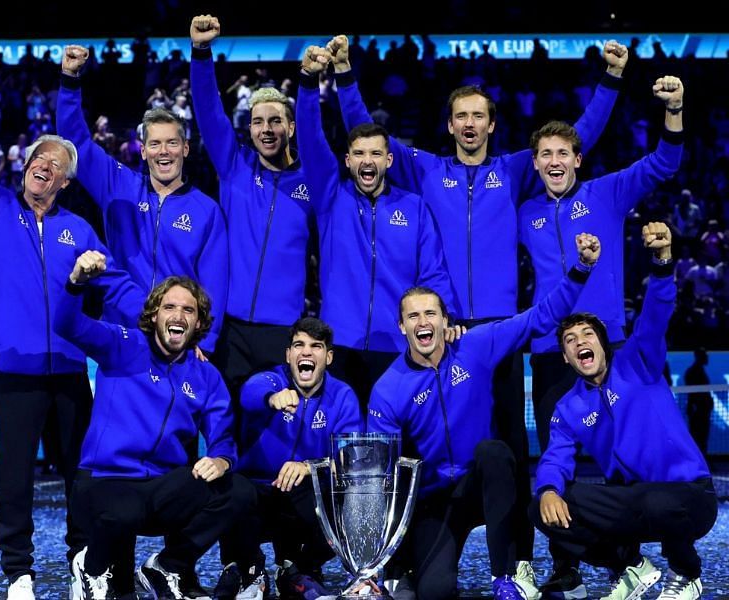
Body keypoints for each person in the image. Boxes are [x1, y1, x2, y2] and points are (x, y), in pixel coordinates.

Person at [328, 36, 628, 595]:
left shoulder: (514, 170)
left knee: (509, 451)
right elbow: (368, 134)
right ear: (449, 125)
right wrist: (345, 74)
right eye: (461, 116)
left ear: (492, 126)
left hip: (498, 336)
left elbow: (573, 140)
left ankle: (519, 561)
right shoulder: (424, 170)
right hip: (438, 333)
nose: (470, 124)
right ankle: (411, 547)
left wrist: (610, 80)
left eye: (479, 117)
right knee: (426, 445)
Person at [0, 66, 134, 599]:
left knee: (82, 474)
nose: (42, 167)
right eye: (36, 160)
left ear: (67, 181)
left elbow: (117, 287)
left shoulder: (81, 231)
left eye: (55, 164)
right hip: (16, 372)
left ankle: (81, 561)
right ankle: (18, 573)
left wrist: (159, 323)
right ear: (24, 168)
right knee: (14, 479)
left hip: (72, 371)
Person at [369, 233, 600, 600]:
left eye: (430, 313)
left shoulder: (475, 345)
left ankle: (504, 578)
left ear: (446, 320)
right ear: (402, 327)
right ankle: (412, 568)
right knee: (436, 592)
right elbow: (381, 474)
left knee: (494, 452)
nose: (422, 321)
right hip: (436, 499)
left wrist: (580, 269)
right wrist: (386, 558)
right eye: (413, 316)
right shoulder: (388, 389)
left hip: (482, 485)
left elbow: (540, 317)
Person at [533, 223, 716, 600]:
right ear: (567, 359)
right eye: (570, 340)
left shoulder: (638, 362)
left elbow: (655, 314)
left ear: (603, 345)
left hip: (688, 496)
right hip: (633, 501)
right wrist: (549, 489)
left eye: (587, 335)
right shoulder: (568, 407)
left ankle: (687, 574)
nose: (580, 342)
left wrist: (663, 262)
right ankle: (630, 567)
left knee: (653, 499)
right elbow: (555, 457)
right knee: (545, 506)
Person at [60, 251, 252, 600]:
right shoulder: (123, 345)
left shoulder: (206, 376)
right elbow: (68, 325)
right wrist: (76, 284)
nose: (178, 315)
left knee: (239, 491)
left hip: (162, 488)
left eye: (188, 310)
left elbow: (222, 436)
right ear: (153, 315)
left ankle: (168, 566)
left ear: (198, 323)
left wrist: (222, 460)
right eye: (169, 307)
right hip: (105, 480)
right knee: (125, 519)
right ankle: (90, 567)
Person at [519, 76, 684, 465]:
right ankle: (563, 525)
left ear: (578, 159)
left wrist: (674, 109)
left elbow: (665, 163)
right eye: (546, 154)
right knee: (555, 459)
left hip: (609, 344)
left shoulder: (608, 193)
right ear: (535, 163)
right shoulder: (525, 213)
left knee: (627, 454)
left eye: (563, 153)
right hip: (549, 351)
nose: (554, 161)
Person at [297, 44, 456, 413]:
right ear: (348, 160)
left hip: (400, 347)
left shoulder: (414, 208)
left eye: (375, 154)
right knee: (348, 447)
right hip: (343, 342)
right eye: (359, 154)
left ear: (388, 159)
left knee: (401, 445)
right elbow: (308, 138)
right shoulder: (330, 198)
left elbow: (433, 271)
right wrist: (307, 83)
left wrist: (443, 319)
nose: (367, 161)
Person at [57, 44, 229, 355]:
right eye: (156, 144)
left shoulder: (207, 211)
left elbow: (214, 285)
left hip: (177, 343)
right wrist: (70, 78)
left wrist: (206, 341)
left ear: (185, 149)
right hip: (120, 335)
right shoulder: (117, 184)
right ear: (143, 149)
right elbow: (75, 141)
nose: (164, 152)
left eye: (172, 143)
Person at [189, 15, 319, 402]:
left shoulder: (312, 184)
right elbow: (210, 112)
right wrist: (200, 52)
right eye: (258, 122)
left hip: (283, 330)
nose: (266, 129)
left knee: (275, 429)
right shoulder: (234, 168)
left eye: (276, 121)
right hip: (229, 328)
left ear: (291, 128)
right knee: (227, 427)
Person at [214, 317, 361, 600]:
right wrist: (272, 398)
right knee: (234, 492)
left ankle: (298, 569)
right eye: (298, 345)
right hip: (258, 489)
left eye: (315, 346)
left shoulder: (343, 397)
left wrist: (309, 467)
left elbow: (349, 458)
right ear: (288, 354)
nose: (306, 352)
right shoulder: (272, 380)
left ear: (328, 357)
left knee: (345, 498)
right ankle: (245, 569)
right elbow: (250, 392)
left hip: (301, 495)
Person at [684, 348, 712, 455]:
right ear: (699, 356)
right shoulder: (693, 372)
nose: (707, 357)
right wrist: (696, 408)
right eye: (705, 355)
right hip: (698, 413)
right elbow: (694, 394)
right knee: (698, 438)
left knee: (702, 439)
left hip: (703, 412)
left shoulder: (698, 371)